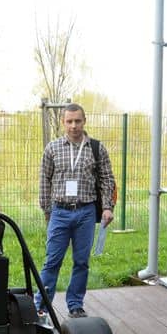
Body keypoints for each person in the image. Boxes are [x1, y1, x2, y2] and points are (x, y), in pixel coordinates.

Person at [35, 103, 115, 318]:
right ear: (63, 122)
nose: (73, 126)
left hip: (86, 212)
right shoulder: (52, 148)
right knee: (52, 261)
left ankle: (75, 304)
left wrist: (107, 207)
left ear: (84, 121)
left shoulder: (96, 148)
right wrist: (47, 211)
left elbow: (107, 179)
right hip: (59, 212)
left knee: (81, 262)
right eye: (69, 121)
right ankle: (41, 306)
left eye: (77, 121)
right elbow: (44, 180)